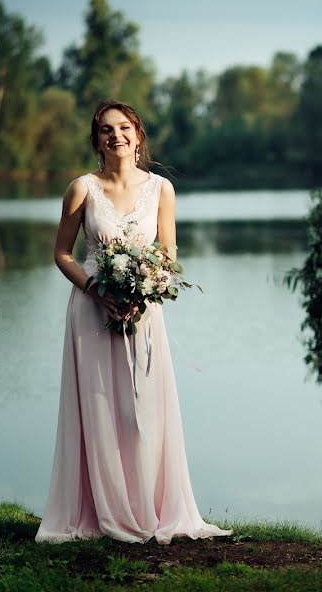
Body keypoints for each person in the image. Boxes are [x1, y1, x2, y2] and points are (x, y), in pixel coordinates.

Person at [36, 100, 231, 544]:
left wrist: (146, 290)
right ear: (96, 140)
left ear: (138, 136)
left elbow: (168, 252)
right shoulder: (81, 189)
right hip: (91, 309)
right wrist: (95, 290)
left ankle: (151, 508)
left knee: (143, 408)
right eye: (105, 130)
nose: (115, 135)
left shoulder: (161, 189)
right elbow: (62, 253)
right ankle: (104, 513)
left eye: (124, 127)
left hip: (144, 313)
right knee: (100, 407)